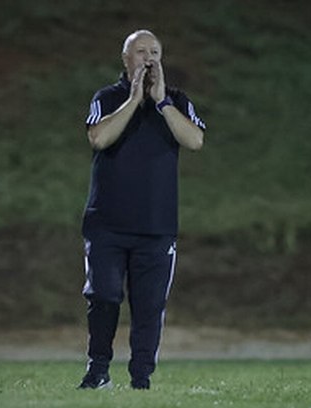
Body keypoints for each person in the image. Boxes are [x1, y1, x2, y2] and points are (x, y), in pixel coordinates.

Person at [77, 29, 206, 390]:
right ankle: (98, 370)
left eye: (154, 52)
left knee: (149, 308)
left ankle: (141, 379)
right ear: (126, 59)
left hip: (157, 226)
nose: (148, 58)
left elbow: (195, 140)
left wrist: (161, 102)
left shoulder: (177, 101)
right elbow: (99, 137)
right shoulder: (107, 97)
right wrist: (134, 99)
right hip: (106, 224)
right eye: (140, 51)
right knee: (103, 296)